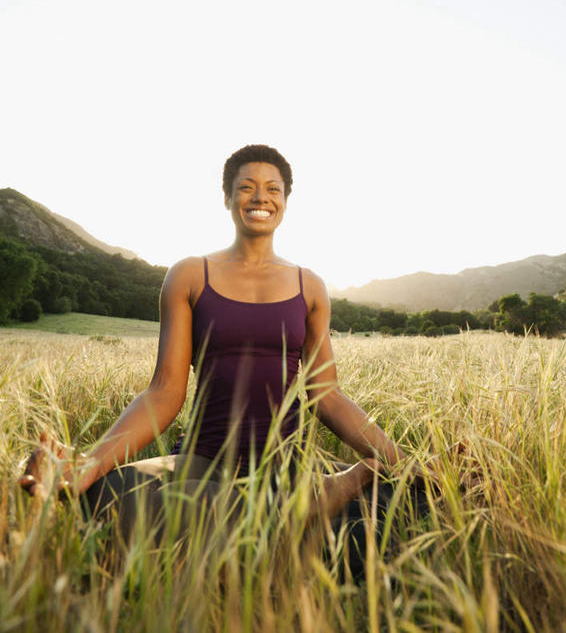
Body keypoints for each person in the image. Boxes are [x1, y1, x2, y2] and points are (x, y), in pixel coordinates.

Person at [20, 144, 430, 572]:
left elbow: (327, 396)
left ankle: (303, 501)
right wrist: (88, 466)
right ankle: (317, 500)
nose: (260, 197)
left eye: (272, 189)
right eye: (246, 187)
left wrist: (403, 461)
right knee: (99, 496)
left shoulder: (310, 286)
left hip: (283, 464)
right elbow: (164, 392)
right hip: (203, 460)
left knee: (416, 502)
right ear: (227, 197)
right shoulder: (190, 275)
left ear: (285, 202)